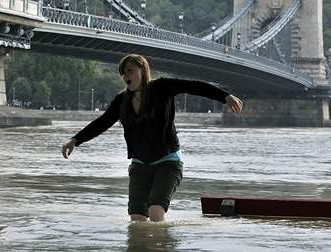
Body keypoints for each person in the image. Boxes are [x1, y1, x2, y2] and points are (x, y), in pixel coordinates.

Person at [62, 54, 243, 222]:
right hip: (140, 164)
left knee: (156, 213)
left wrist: (224, 96)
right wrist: (76, 140)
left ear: (143, 70)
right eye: (123, 73)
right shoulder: (122, 100)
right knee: (137, 219)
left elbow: (194, 86)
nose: (126, 76)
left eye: (130, 70)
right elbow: (102, 122)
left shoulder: (162, 87)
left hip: (168, 162)